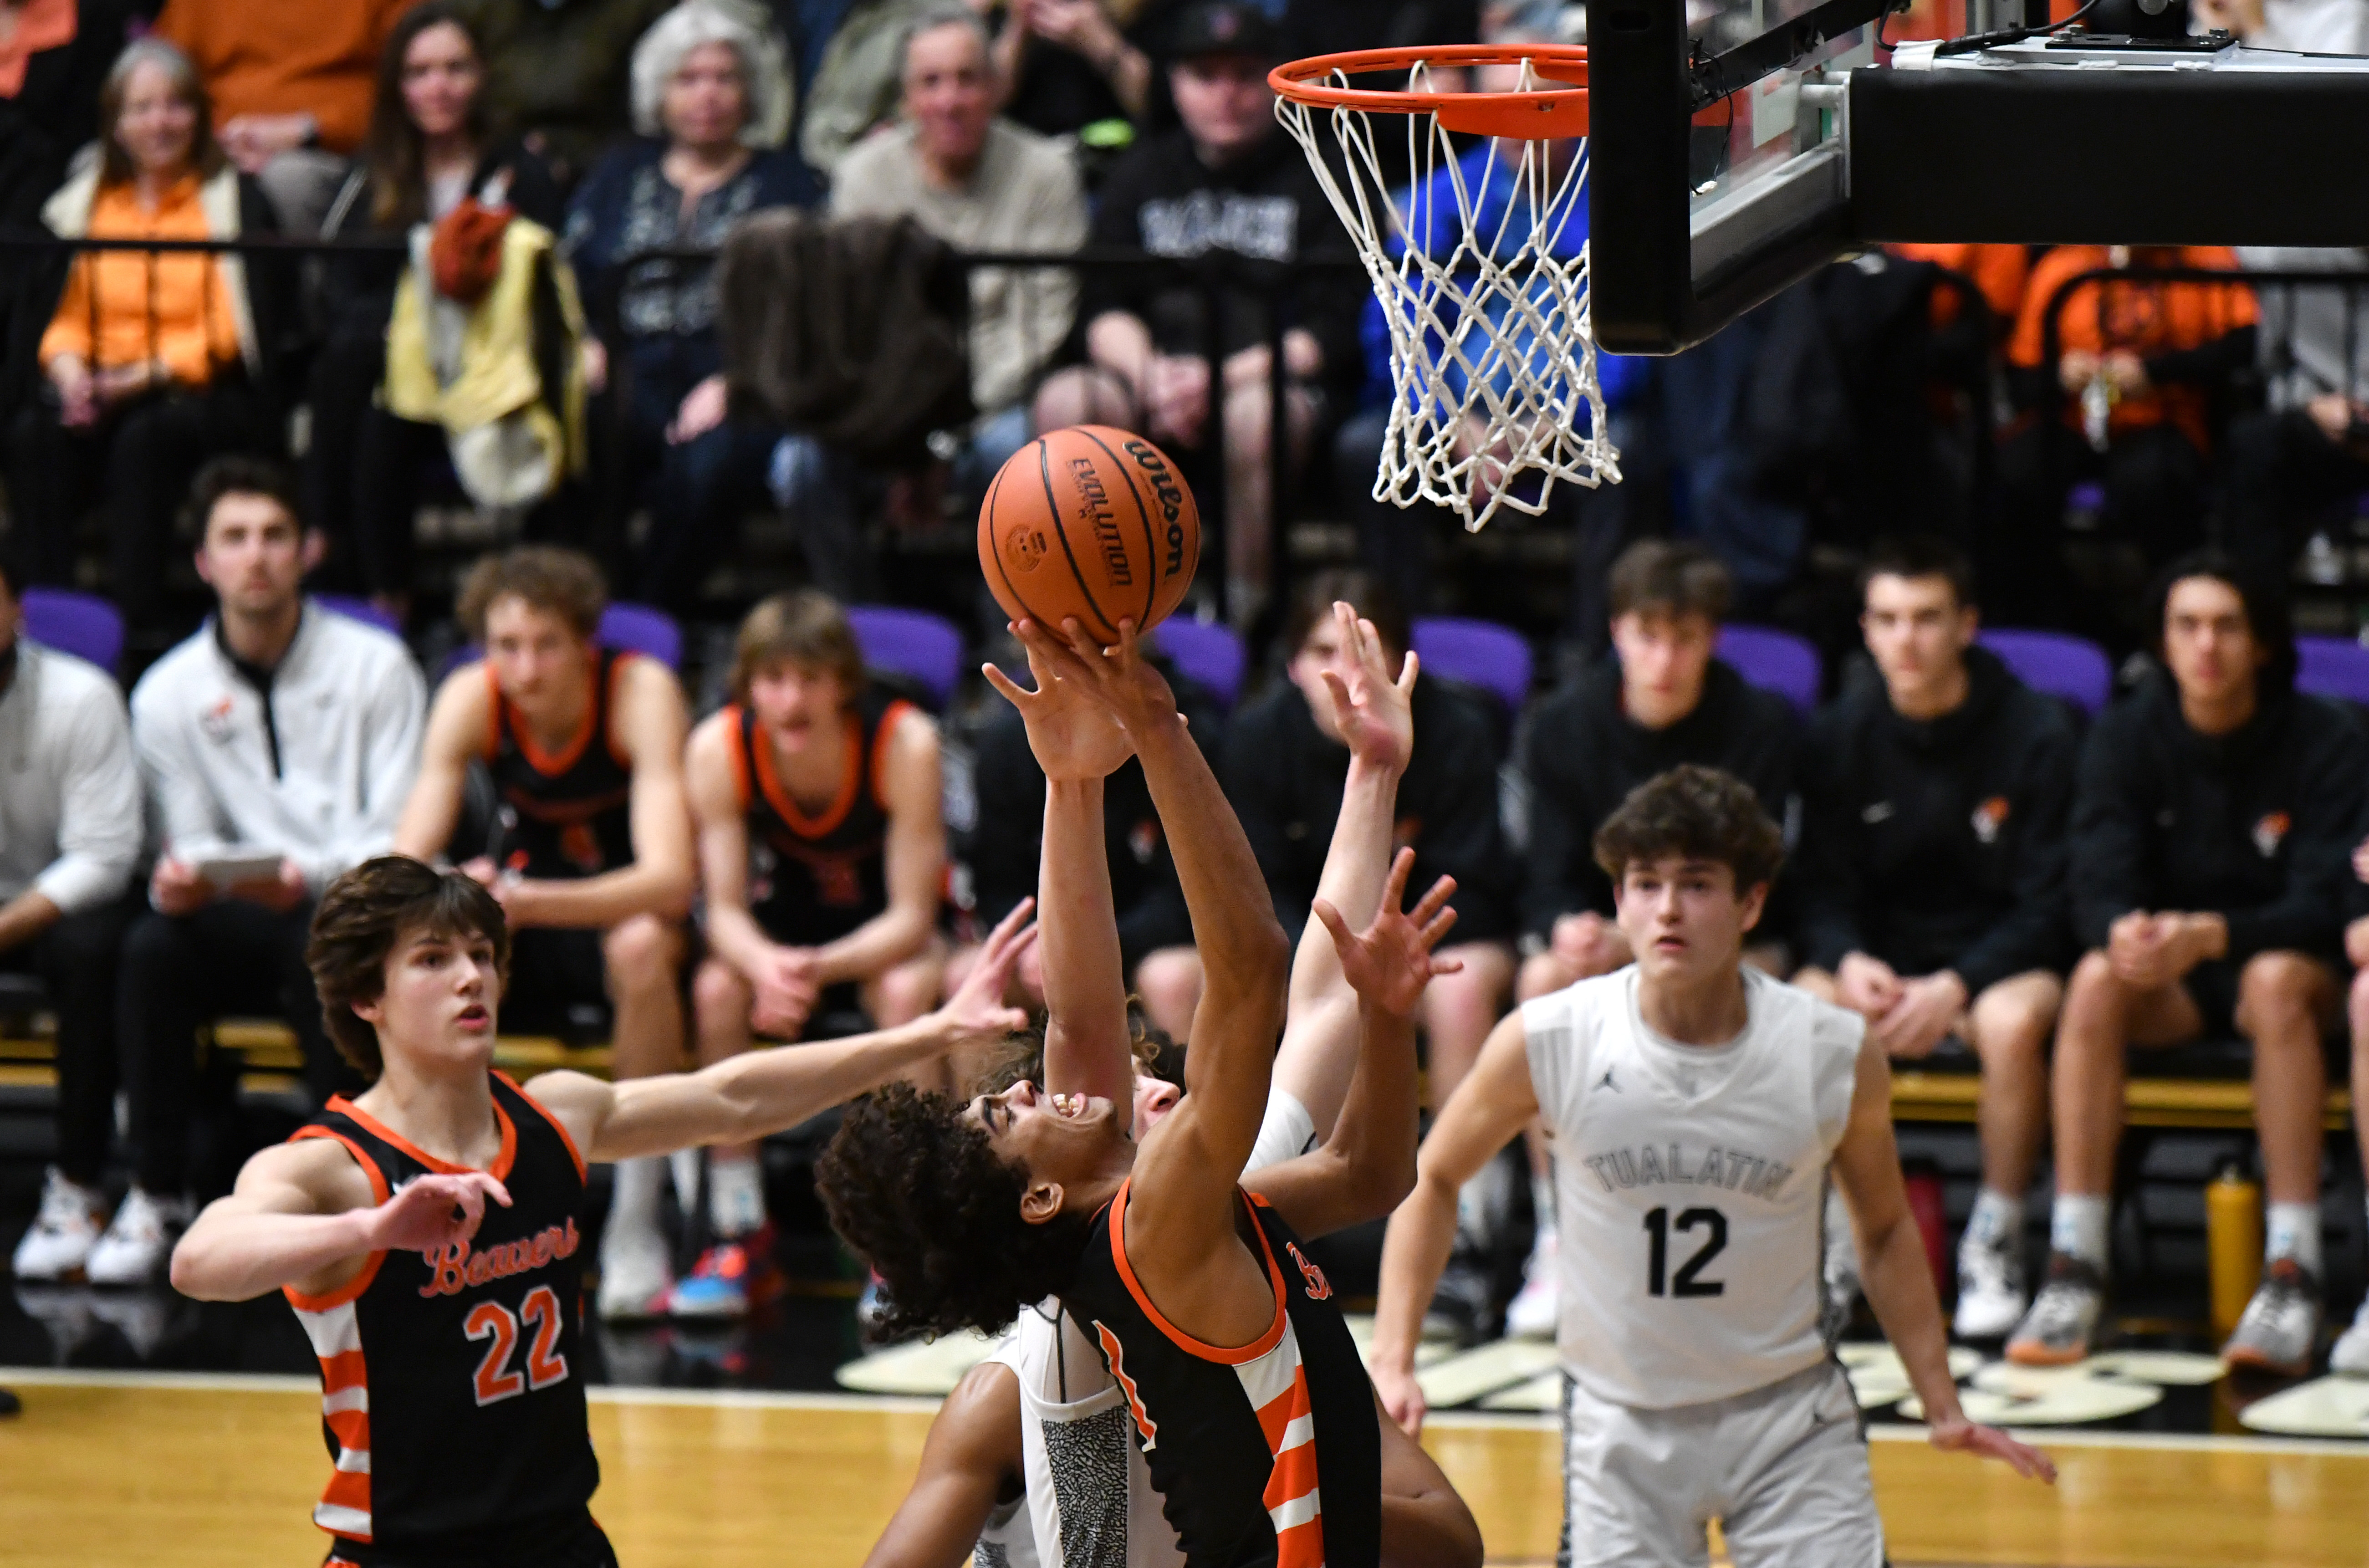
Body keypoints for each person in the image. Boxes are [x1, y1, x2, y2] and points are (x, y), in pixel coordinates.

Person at [820, 612, 1482, 1568]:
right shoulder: (1152, 1222)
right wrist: (1156, 730)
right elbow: (1247, 970)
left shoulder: (1188, 1203)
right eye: (1017, 1107)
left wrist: (1075, 778)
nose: (1122, 1084)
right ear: (1039, 1191)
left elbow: (1367, 1167)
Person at [167, 854, 1038, 1566]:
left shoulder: (554, 1116)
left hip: (561, 1545)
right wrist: (373, 1229)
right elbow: (200, 1259)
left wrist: (933, 1031)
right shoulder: (338, 1170)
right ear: (367, 997)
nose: (471, 976)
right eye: (432, 959)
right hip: (400, 1552)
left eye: (480, 953)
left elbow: (734, 1096)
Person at [1371, 765, 2056, 1565]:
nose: (1666, 908)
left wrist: (1939, 1400)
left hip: (1789, 1419)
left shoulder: (1828, 1048)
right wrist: (1392, 1356)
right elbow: (1436, 1175)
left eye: (1695, 884)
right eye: (1645, 882)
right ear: (1617, 901)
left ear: (1751, 902)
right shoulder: (1550, 1035)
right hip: (1620, 1423)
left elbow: (1884, 1227)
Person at [2008, 552, 2365, 1375]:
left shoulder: (2327, 736)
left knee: (2273, 982)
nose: (2206, 645)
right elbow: (2090, 883)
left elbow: (2325, 899)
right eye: (2187, 626)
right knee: (2097, 975)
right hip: (2172, 969)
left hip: (2282, 966)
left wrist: (2215, 934)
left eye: (2226, 626)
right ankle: (2075, 1259)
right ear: (2163, 642)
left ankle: (2293, 1265)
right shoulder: (2125, 734)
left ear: (2264, 642)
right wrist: (2127, 931)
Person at [98, 458, 428, 1284]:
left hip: (356, 904)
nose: (257, 556)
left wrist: (307, 872)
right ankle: (155, 1191)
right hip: (237, 909)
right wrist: (186, 876)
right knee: (148, 948)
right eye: (235, 539)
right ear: (204, 561)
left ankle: (347, 1192)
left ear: (309, 550)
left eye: (275, 535)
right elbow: (187, 834)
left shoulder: (377, 664)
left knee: (320, 950)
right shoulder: (168, 690)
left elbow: (401, 830)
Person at [393, 547, 696, 1321]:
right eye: (507, 646)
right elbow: (400, 862)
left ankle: (635, 1217)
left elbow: (670, 879)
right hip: (524, 915)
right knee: (420, 950)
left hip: (620, 916)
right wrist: (454, 889)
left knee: (639, 944)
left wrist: (524, 900)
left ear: (585, 646)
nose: (524, 667)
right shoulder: (470, 696)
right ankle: (421, 1183)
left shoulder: (640, 691)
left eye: (546, 645)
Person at [1501, 539, 1796, 1336]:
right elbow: (1548, 869)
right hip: (1605, 940)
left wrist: (1642, 937)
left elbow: (1762, 878)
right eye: (1646, 634)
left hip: (1729, 936)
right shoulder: (1563, 724)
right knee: (1539, 984)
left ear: (1712, 639)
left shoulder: (1760, 724)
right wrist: (1563, 925)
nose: (1663, 657)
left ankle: (1760, 1241)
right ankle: (1559, 1234)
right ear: (1616, 630)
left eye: (1684, 637)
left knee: (1754, 985)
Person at [1789, 536, 2077, 1339]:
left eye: (1925, 618)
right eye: (1886, 619)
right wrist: (1849, 958)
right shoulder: (1836, 736)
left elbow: (2051, 902)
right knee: (1806, 1006)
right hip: (1880, 960)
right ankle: (1838, 1241)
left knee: (2011, 1023)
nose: (1905, 638)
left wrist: (1958, 983)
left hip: (1999, 961)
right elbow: (1818, 888)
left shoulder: (2036, 733)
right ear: (1866, 631)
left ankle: (1998, 1235)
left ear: (1965, 625)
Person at [1031, 0, 1361, 628]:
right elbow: (1101, 307)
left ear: (1274, 81)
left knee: (1254, 416)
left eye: (1244, 75)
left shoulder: (1319, 178)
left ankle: (1243, 619)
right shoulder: (1141, 173)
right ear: (1174, 84)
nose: (1226, 95)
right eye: (1205, 77)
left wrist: (1217, 380)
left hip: (1266, 389)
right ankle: (1083, 613)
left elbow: (1328, 331)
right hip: (1151, 384)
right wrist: (1152, 374)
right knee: (1068, 402)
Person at [677, 590, 945, 1316]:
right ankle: (737, 1228)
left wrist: (807, 970)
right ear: (748, 684)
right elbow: (724, 908)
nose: (790, 700)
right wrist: (767, 965)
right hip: (784, 926)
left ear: (844, 684)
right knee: (715, 992)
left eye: (810, 679)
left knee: (902, 994)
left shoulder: (904, 741)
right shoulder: (718, 747)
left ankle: (906, 1239)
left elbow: (913, 917)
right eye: (772, 679)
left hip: (882, 927)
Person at [1225, 570, 1517, 1169]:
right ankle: (1265, 1185)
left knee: (1459, 992)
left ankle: (1464, 1212)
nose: (1348, 671)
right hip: (1303, 946)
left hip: (1432, 940)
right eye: (1324, 651)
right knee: (1241, 985)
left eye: (1367, 647)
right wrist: (1325, 954)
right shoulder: (1254, 739)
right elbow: (1252, 889)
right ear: (1291, 665)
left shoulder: (1458, 730)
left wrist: (1392, 947)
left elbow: (1478, 881)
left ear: (1400, 660)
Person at [5, 37, 294, 643]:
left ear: (200, 115)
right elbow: (62, 314)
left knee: (145, 438)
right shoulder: (81, 205)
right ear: (115, 122)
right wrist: (70, 374)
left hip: (203, 392)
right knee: (35, 435)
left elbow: (233, 330)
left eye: (175, 106)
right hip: (100, 383)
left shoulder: (234, 201)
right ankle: (47, 625)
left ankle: (140, 627)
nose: (159, 123)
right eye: (140, 108)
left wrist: (139, 379)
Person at [309, 2, 569, 613]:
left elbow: (546, 277)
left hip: (492, 367)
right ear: (398, 86)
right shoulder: (375, 175)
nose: (439, 87)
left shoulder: (518, 171)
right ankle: (384, 603)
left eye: (456, 69)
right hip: (406, 377)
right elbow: (345, 286)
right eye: (421, 72)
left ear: (481, 78)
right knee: (374, 411)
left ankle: (322, 530)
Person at [565, 0, 819, 612]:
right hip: (626, 362)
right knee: (583, 439)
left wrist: (740, 381)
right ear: (660, 91)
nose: (707, 95)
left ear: (749, 91)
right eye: (688, 78)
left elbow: (808, 307)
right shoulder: (618, 173)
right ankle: (591, 608)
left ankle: (654, 614)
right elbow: (569, 274)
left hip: (740, 378)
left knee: (710, 466)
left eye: (724, 78)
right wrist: (584, 341)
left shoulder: (791, 183)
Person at [829, 5, 1088, 506]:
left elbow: (1043, 323)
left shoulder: (1048, 173)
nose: (950, 101)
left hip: (1002, 401)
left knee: (1022, 457)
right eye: (931, 82)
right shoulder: (862, 177)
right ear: (906, 99)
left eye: (968, 79)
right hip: (888, 400)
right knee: (801, 466)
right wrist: (908, 425)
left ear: (995, 88)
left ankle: (1005, 587)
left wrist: (951, 427)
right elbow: (859, 321)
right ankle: (857, 590)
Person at [0, 546, 146, 1284]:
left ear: (14, 610)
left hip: (54, 902)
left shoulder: (82, 696)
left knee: (102, 947)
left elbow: (105, 854)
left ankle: (79, 1184)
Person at [1994, 245, 2257, 636]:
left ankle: (2169, 628)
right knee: (2015, 475)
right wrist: (2062, 376)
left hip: (2162, 416)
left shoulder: (2206, 255)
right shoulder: (2063, 264)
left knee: (2155, 482)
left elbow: (2241, 346)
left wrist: (2154, 372)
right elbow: (2021, 381)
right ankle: (2046, 625)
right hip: (2073, 418)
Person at [151, 0, 415, 234]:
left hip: (333, 153)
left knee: (285, 181)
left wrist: (309, 131)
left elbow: (416, 83)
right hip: (211, 145)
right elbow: (156, 71)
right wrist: (206, 138)